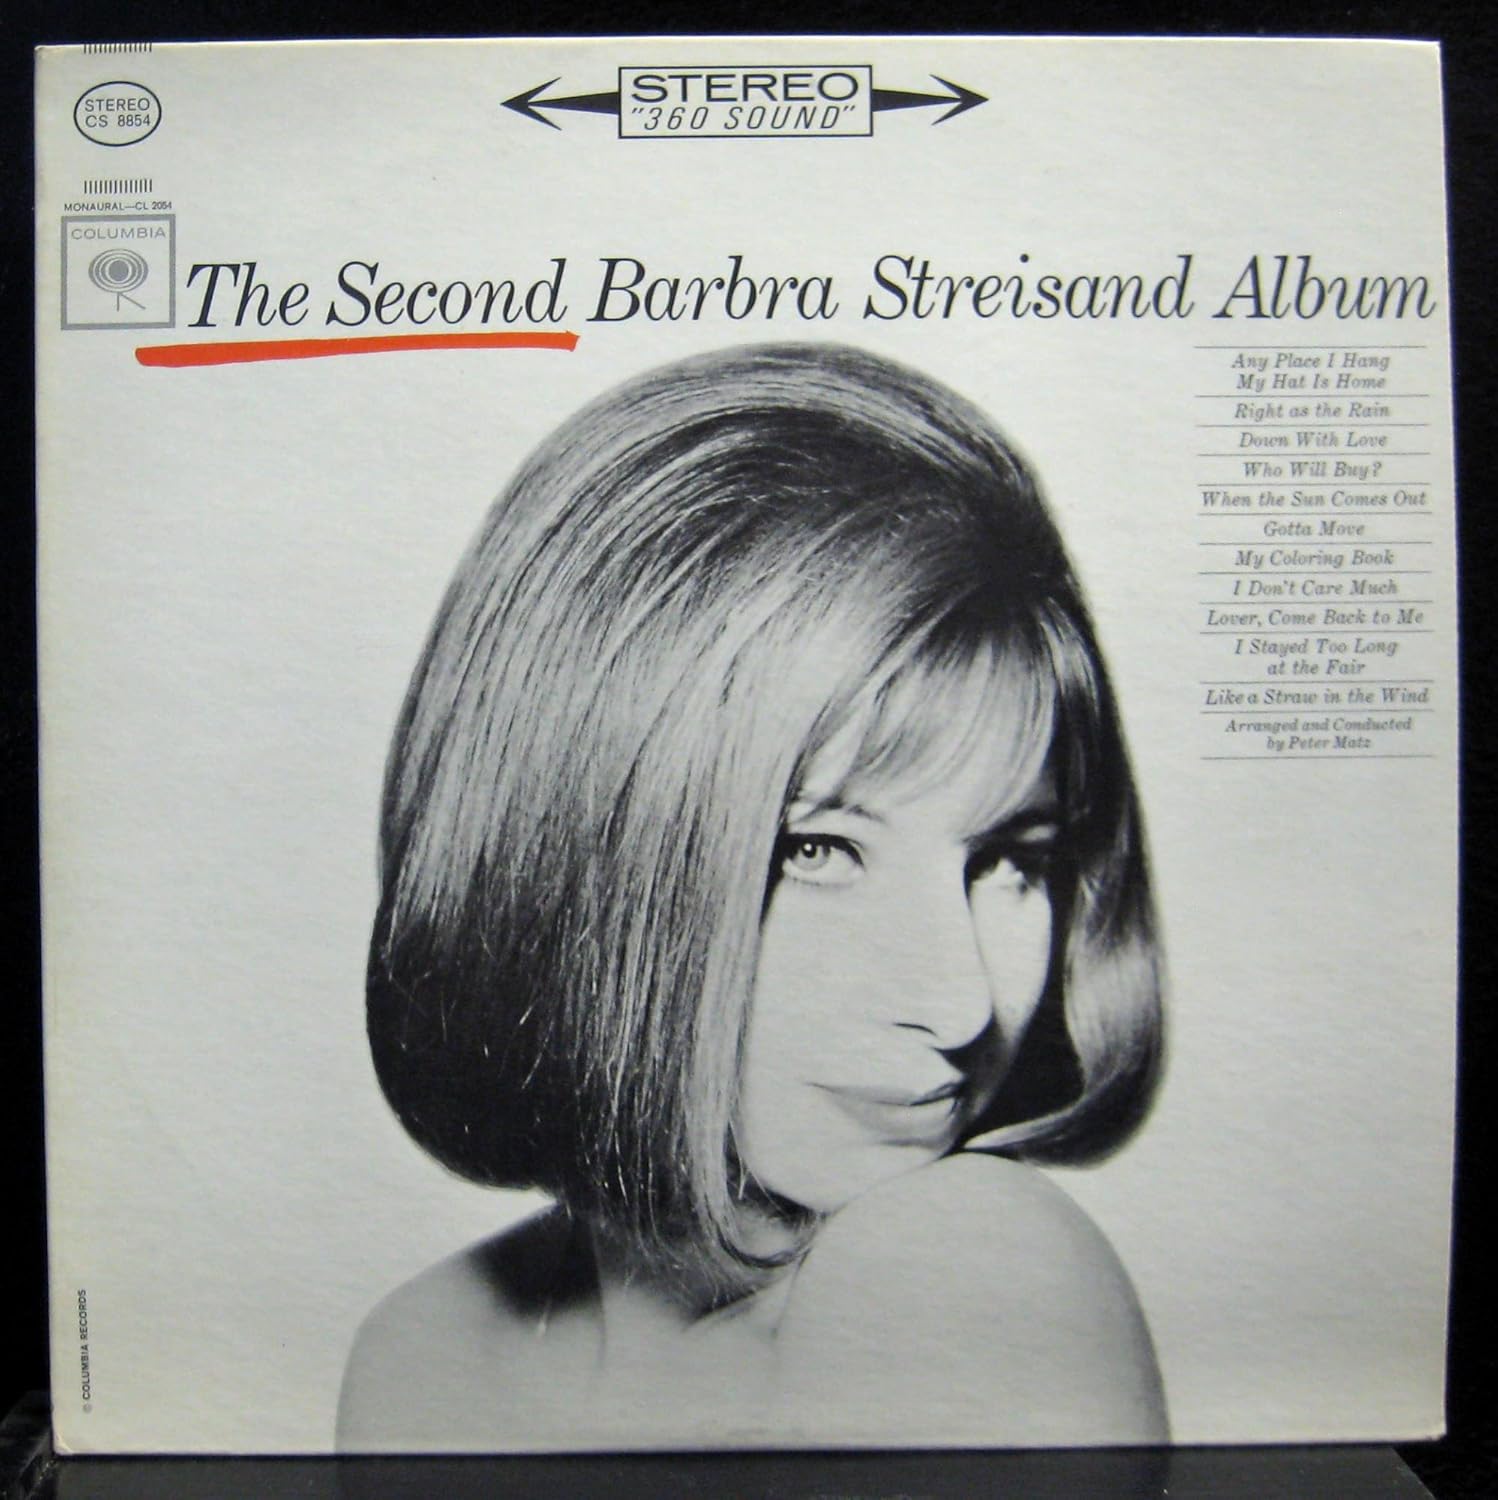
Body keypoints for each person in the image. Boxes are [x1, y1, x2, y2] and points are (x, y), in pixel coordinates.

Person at [338, 343, 1167, 1451]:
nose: (959, 1003)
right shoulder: (423, 1357)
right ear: (569, 848)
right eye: (815, 850)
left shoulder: (963, 1264)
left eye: (1010, 861)